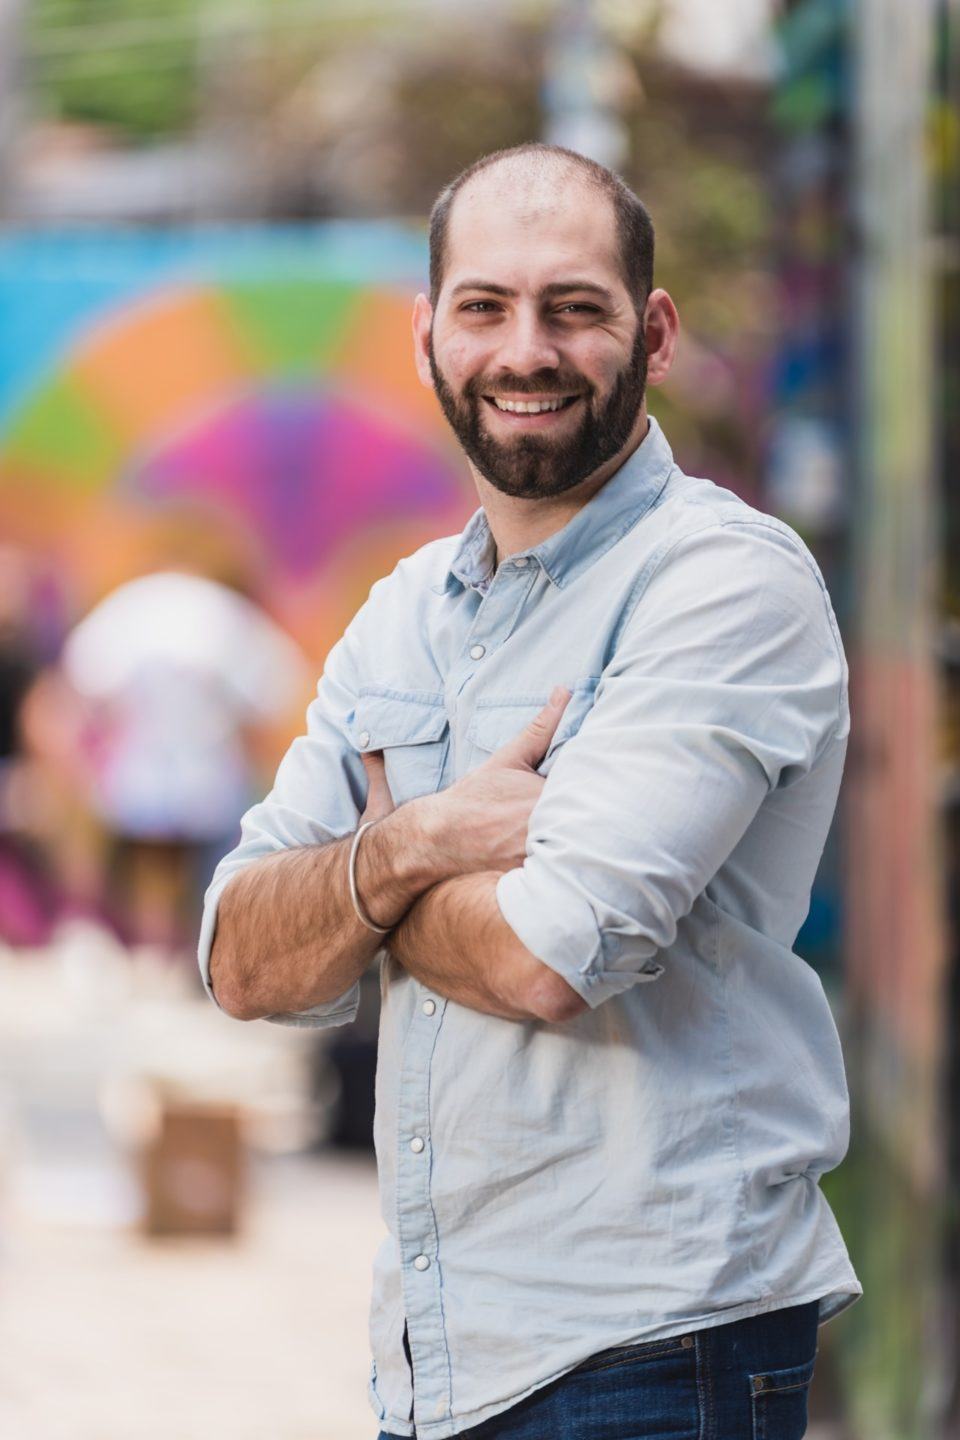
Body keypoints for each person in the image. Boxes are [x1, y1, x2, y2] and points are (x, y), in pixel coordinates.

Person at [199, 143, 862, 1440]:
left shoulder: (724, 587)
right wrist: (417, 849)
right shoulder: (402, 618)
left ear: (653, 333)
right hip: (437, 1357)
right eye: (486, 307)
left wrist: (355, 889)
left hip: (661, 1347)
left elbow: (551, 957)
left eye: (575, 308)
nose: (527, 350)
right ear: (430, 339)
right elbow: (239, 957)